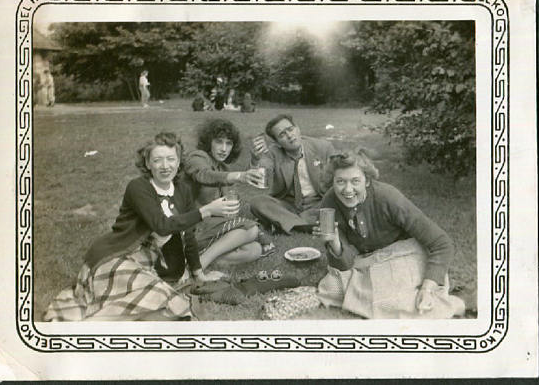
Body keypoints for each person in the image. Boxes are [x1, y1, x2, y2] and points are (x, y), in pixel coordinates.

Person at [43, 131, 238, 321]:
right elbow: (161, 225)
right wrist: (206, 211)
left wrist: (198, 274)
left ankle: (104, 319)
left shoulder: (182, 190)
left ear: (179, 162)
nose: (165, 166)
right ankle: (91, 326)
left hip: (149, 265)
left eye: (171, 159)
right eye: (157, 160)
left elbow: (188, 235)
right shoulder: (138, 187)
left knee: (170, 308)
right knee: (165, 301)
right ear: (147, 163)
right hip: (118, 257)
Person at [314, 149, 466, 319]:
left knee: (389, 299)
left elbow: (442, 243)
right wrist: (335, 243)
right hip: (366, 262)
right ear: (332, 182)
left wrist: (427, 289)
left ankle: (452, 305)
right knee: (330, 288)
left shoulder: (387, 197)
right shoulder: (329, 202)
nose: (348, 190)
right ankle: (389, 300)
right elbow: (345, 265)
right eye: (340, 181)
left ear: (367, 181)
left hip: (403, 256)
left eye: (355, 181)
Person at [183, 118, 276, 267]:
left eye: (229, 143)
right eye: (219, 142)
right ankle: (202, 262)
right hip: (193, 226)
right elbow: (203, 174)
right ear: (209, 142)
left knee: (255, 249)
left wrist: (254, 161)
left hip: (213, 227)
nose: (224, 149)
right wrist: (239, 176)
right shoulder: (198, 157)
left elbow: (245, 184)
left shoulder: (222, 167)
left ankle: (193, 259)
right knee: (251, 230)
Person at [249, 114, 336, 234]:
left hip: (319, 202)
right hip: (289, 204)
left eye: (290, 129)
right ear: (278, 143)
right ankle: (303, 225)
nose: (290, 136)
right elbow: (262, 174)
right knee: (257, 202)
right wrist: (256, 160)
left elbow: (339, 176)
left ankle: (283, 222)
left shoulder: (323, 147)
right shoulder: (273, 153)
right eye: (282, 134)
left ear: (298, 129)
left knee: (336, 204)